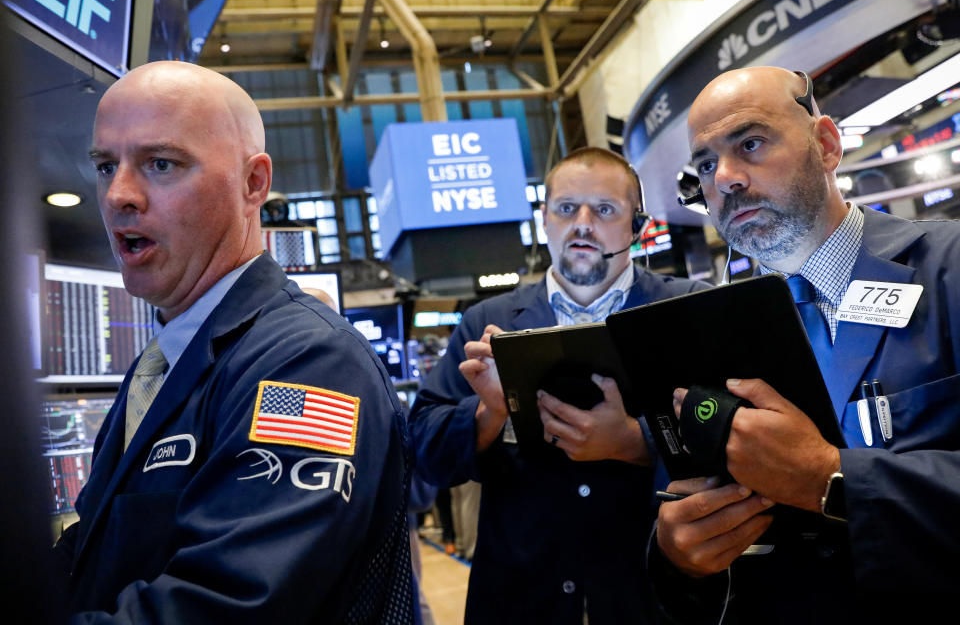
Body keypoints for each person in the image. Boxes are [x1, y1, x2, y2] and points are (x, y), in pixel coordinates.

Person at [53, 61, 414, 623]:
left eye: (161, 163)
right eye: (105, 166)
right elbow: (95, 547)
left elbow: (229, 606)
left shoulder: (308, 365)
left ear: (253, 184)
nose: (119, 194)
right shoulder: (161, 365)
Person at [651, 66, 960, 622]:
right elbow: (690, 511)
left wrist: (832, 480)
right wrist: (679, 559)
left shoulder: (950, 268)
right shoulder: (712, 331)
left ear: (826, 144)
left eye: (749, 143)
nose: (725, 178)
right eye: (704, 164)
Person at [410, 147, 706, 623]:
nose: (582, 223)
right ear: (543, 221)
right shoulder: (488, 321)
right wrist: (490, 414)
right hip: (520, 596)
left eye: (605, 209)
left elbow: (735, 440)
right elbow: (423, 449)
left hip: (653, 595)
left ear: (637, 225)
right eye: (567, 208)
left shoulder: (689, 311)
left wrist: (636, 442)